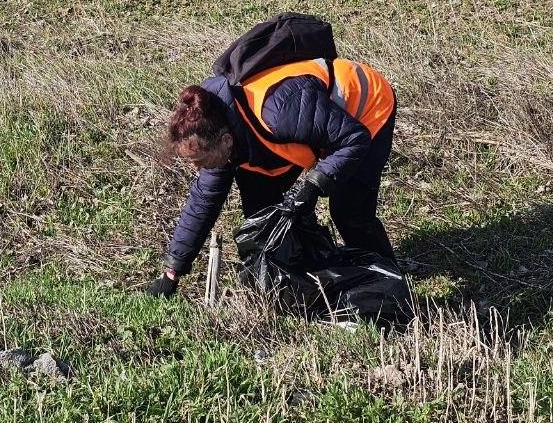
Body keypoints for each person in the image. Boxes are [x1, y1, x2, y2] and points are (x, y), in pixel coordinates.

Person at [146, 22, 397, 298]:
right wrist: (172, 272)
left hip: (365, 109)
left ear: (226, 141)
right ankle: (307, 276)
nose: (196, 167)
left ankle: (387, 286)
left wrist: (315, 184)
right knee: (262, 210)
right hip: (313, 128)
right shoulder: (216, 131)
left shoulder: (278, 112)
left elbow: (353, 139)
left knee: (349, 212)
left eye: (199, 159)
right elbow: (203, 201)